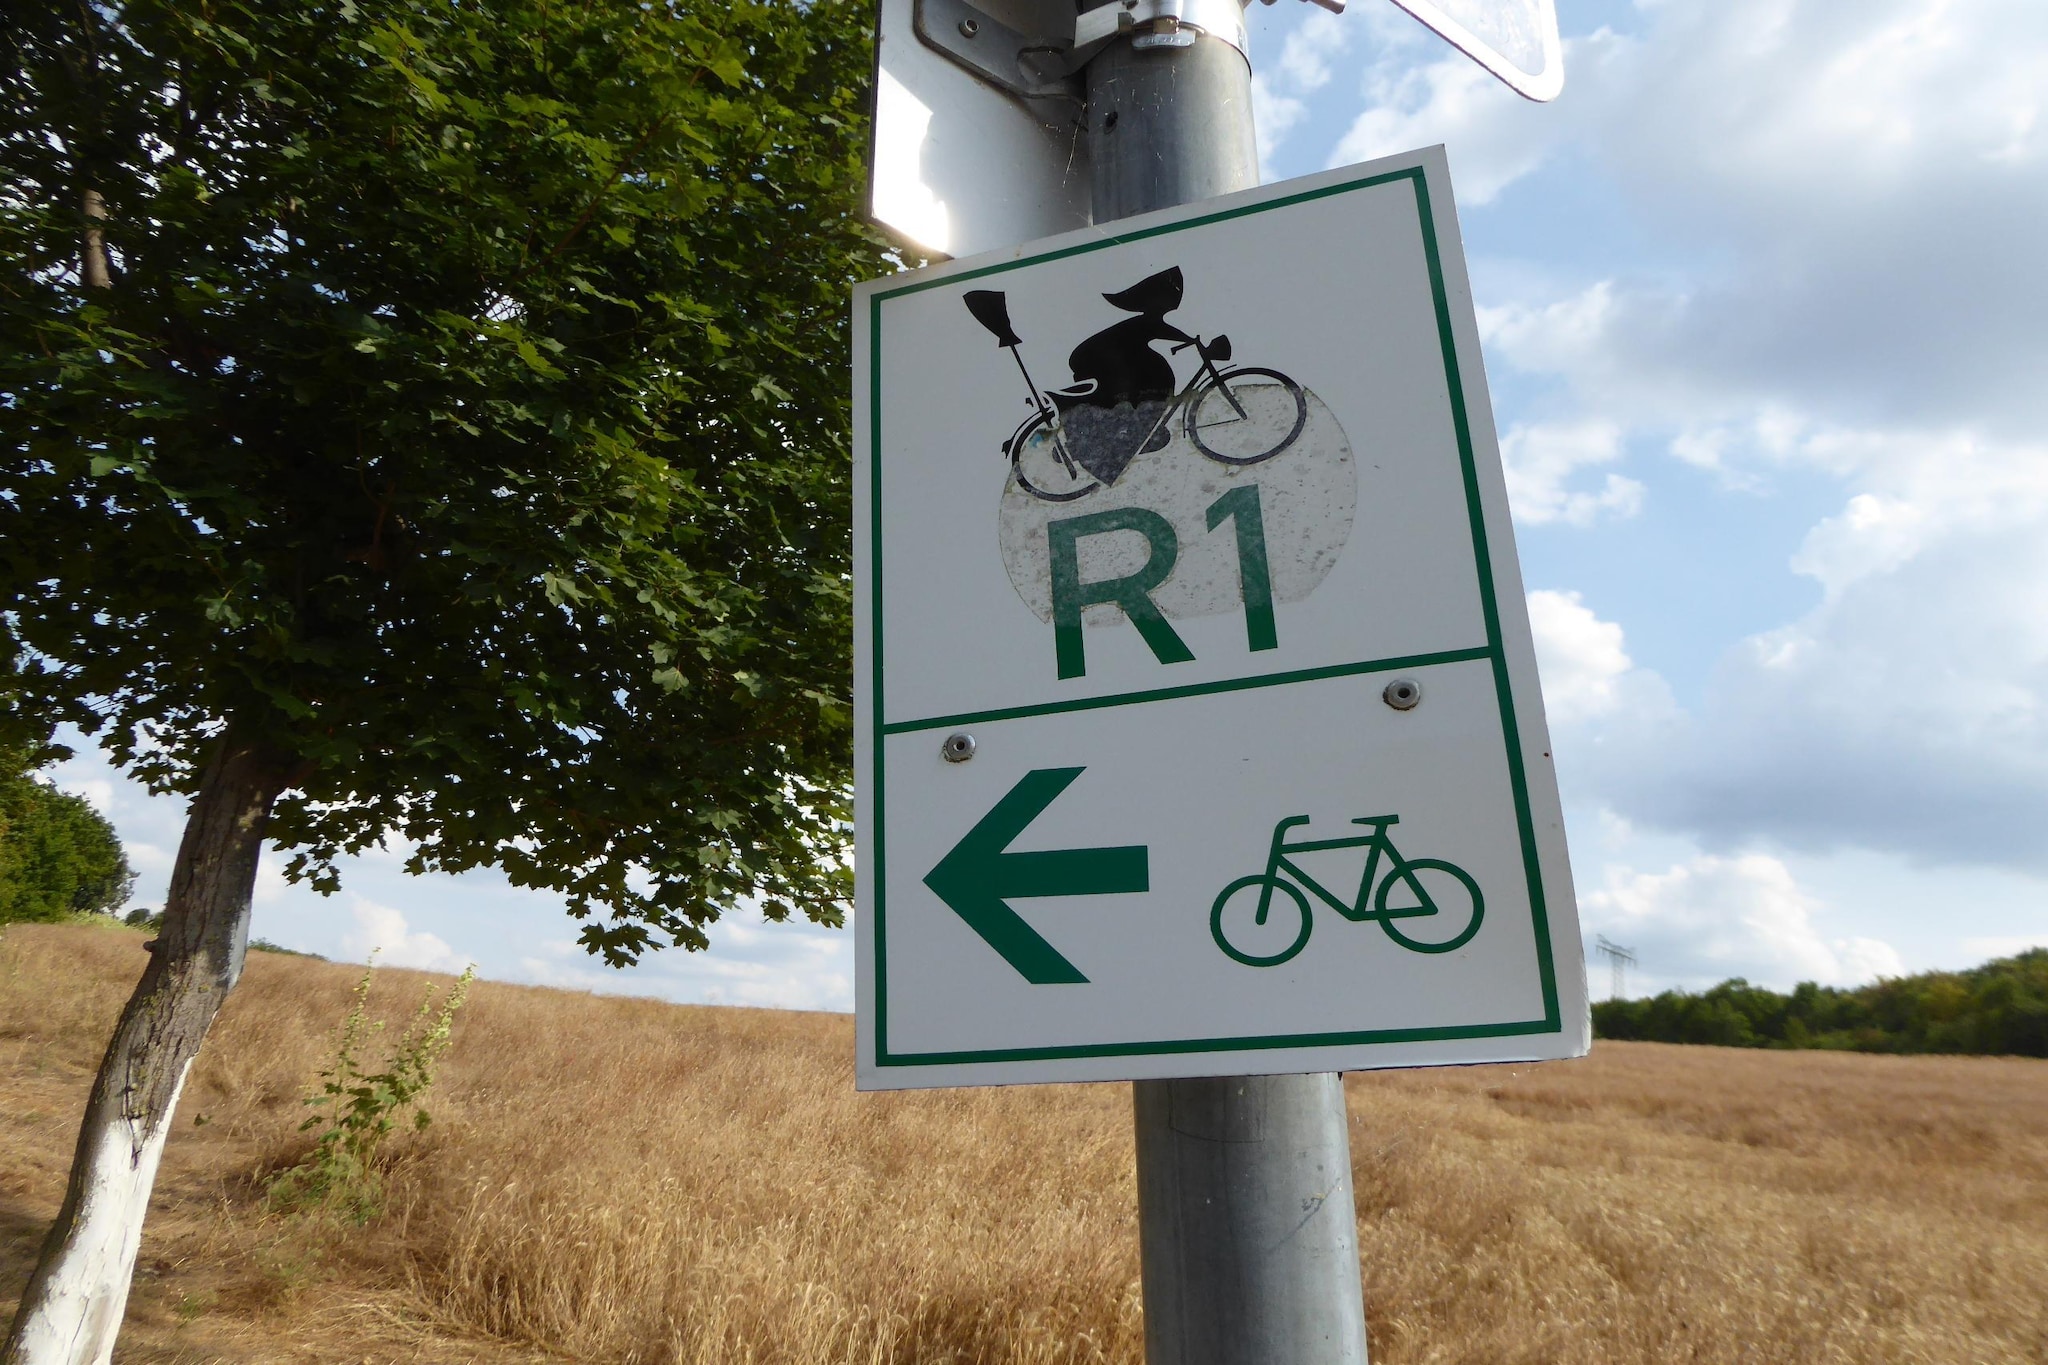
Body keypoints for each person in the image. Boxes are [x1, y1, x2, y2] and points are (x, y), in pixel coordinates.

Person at [1065, 267, 1195, 409]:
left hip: (1098, 359)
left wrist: (1190, 340)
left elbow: (1163, 330)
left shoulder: (1146, 322)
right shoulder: (1145, 323)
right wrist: (1191, 340)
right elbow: (1161, 330)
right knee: (1154, 372)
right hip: (1092, 360)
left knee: (1156, 371)